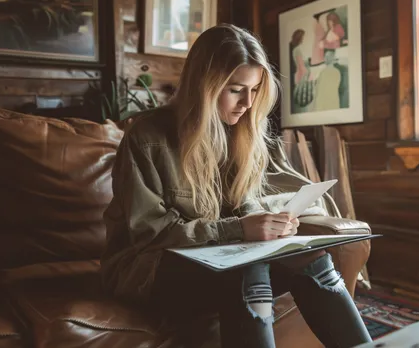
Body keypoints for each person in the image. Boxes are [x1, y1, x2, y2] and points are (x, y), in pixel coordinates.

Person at [101, 24, 372, 348]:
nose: (247, 102)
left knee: (311, 260)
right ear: (204, 84)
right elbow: (151, 236)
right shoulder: (147, 138)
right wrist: (238, 230)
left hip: (223, 259)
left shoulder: (246, 135)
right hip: (149, 268)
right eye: (235, 89)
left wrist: (271, 224)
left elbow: (248, 206)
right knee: (248, 270)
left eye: (255, 90)